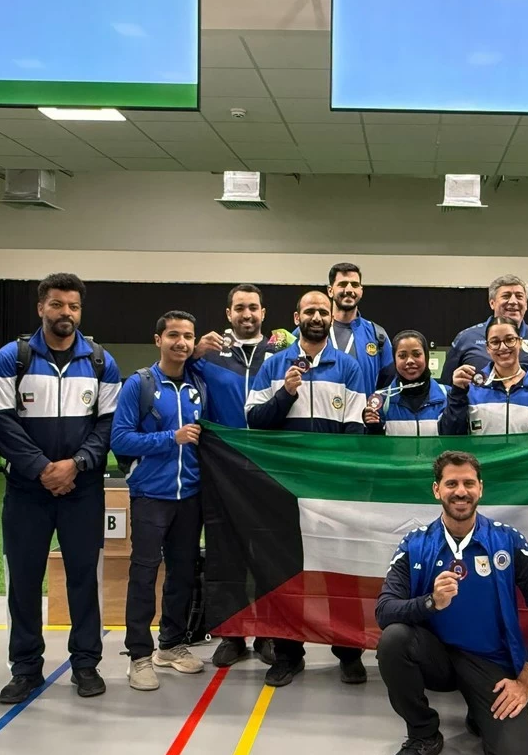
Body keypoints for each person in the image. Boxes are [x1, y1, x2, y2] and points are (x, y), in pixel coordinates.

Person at [376, 450, 528, 755]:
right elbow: (384, 611)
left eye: (468, 483)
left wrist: (526, 682)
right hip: (437, 659)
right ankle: (423, 733)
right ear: (436, 490)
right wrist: (431, 602)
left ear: (480, 488)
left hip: (490, 665)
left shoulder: (507, 540)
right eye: (451, 484)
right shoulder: (415, 544)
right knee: (394, 639)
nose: (461, 491)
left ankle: (479, 710)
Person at [0, 273, 121, 704]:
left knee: (84, 578)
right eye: (58, 305)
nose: (67, 313)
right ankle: (26, 668)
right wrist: (41, 468)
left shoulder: (100, 361)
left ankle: (85, 664)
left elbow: (108, 424)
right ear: (41, 307)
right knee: (24, 581)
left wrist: (75, 465)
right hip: (27, 490)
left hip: (83, 490)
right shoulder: (12, 358)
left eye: (74, 306)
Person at [245, 290, 368, 687]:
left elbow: (355, 430)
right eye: (309, 311)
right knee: (285, 572)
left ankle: (348, 652)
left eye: (322, 311)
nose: (317, 316)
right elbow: (254, 421)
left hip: (333, 490)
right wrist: (285, 393)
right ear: (296, 317)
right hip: (284, 489)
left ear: (331, 317)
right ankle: (287, 654)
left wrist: (336, 478)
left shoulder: (348, 367)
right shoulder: (274, 365)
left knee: (340, 571)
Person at [111, 311, 208, 691]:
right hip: (150, 495)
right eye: (173, 335)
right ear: (158, 340)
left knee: (182, 574)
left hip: (190, 496)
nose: (180, 342)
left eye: (187, 336)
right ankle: (139, 655)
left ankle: (171, 645)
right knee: (144, 573)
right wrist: (172, 438)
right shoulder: (139, 384)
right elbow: (120, 439)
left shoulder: (198, 384)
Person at [192, 283, 280, 668]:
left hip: (268, 470)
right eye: (240, 308)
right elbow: (175, 374)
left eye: (253, 308)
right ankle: (231, 635)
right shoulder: (208, 356)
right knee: (225, 554)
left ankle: (270, 633)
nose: (247, 314)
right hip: (222, 469)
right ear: (228, 313)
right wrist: (194, 352)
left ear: (263, 313)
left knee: (270, 554)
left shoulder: (279, 355)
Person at [439, 318, 528, 437]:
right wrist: (457, 394)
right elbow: (449, 436)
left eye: (510, 339)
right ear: (487, 348)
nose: (503, 347)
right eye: (495, 342)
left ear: (520, 342)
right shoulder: (472, 388)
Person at [440, 275, 528, 383]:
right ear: (492, 303)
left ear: (526, 304)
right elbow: (447, 386)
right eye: (506, 296)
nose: (513, 301)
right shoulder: (466, 339)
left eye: (519, 296)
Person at [321, 262, 394, 395]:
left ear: (361, 291)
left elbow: (388, 381)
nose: (349, 290)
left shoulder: (377, 335)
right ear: (330, 291)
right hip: (322, 407)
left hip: (362, 408)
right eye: (343, 284)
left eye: (355, 285)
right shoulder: (312, 331)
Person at [363, 330, 448, 436]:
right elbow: (375, 445)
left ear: (426, 356)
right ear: (394, 360)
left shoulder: (447, 396)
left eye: (416, 354)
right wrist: (373, 429)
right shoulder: (381, 401)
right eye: (402, 356)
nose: (410, 361)